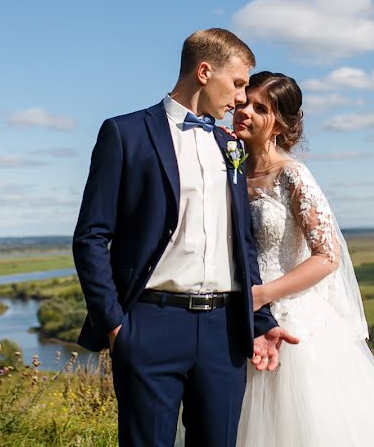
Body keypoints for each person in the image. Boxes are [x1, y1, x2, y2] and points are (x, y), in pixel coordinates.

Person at [72, 30, 298, 447]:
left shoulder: (229, 146)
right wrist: (117, 327)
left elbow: (241, 244)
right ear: (204, 71)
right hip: (150, 324)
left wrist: (259, 320)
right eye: (237, 83)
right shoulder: (125, 134)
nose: (240, 98)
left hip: (224, 330)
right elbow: (91, 236)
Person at [232, 71, 374, 447]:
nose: (245, 111)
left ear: (280, 124)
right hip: (237, 320)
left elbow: (327, 256)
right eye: (244, 102)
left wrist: (262, 295)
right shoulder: (230, 171)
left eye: (260, 108)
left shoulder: (292, 176)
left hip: (293, 321)